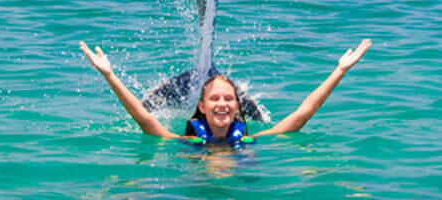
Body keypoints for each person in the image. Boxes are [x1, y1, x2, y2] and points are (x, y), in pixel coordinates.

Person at [79, 39, 371, 144]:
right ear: (202, 106)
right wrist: (109, 74)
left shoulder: (249, 140)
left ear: (237, 106)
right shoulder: (187, 144)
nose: (222, 104)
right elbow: (143, 119)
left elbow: (302, 115)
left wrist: (340, 70)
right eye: (215, 98)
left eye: (228, 98)